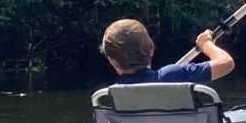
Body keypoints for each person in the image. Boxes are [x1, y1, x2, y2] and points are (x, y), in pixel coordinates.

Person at [99, 18, 235, 84]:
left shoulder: (110, 96)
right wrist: (206, 44)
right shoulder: (171, 76)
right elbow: (227, 63)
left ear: (111, 60)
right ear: (151, 50)